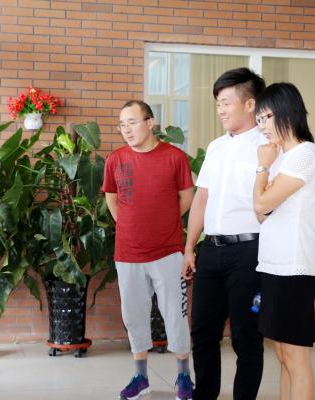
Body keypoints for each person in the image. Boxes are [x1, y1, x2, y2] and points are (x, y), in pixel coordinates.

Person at [182, 68, 266, 400]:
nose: (220, 110)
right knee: (203, 333)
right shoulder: (216, 147)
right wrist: (190, 247)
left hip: (250, 252)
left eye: (227, 102)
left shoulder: (268, 146)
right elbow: (202, 198)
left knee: (247, 336)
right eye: (217, 103)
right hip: (211, 251)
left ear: (250, 104)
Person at [103, 100, 195, 400]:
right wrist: (127, 224)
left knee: (175, 315)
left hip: (168, 252)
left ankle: (184, 375)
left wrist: (164, 222)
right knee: (134, 316)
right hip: (128, 253)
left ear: (150, 122)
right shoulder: (115, 159)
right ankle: (140, 377)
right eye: (122, 125)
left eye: (132, 122)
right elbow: (112, 197)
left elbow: (186, 197)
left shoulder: (175, 157)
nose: (126, 130)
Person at [252, 82, 315, 400]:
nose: (262, 126)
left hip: (294, 268)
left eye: (266, 117)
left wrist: (262, 167)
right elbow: (262, 214)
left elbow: (260, 204)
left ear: (287, 111)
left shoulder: (304, 155)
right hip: (274, 265)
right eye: (258, 120)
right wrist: (267, 175)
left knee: (296, 357)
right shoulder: (284, 158)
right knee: (283, 354)